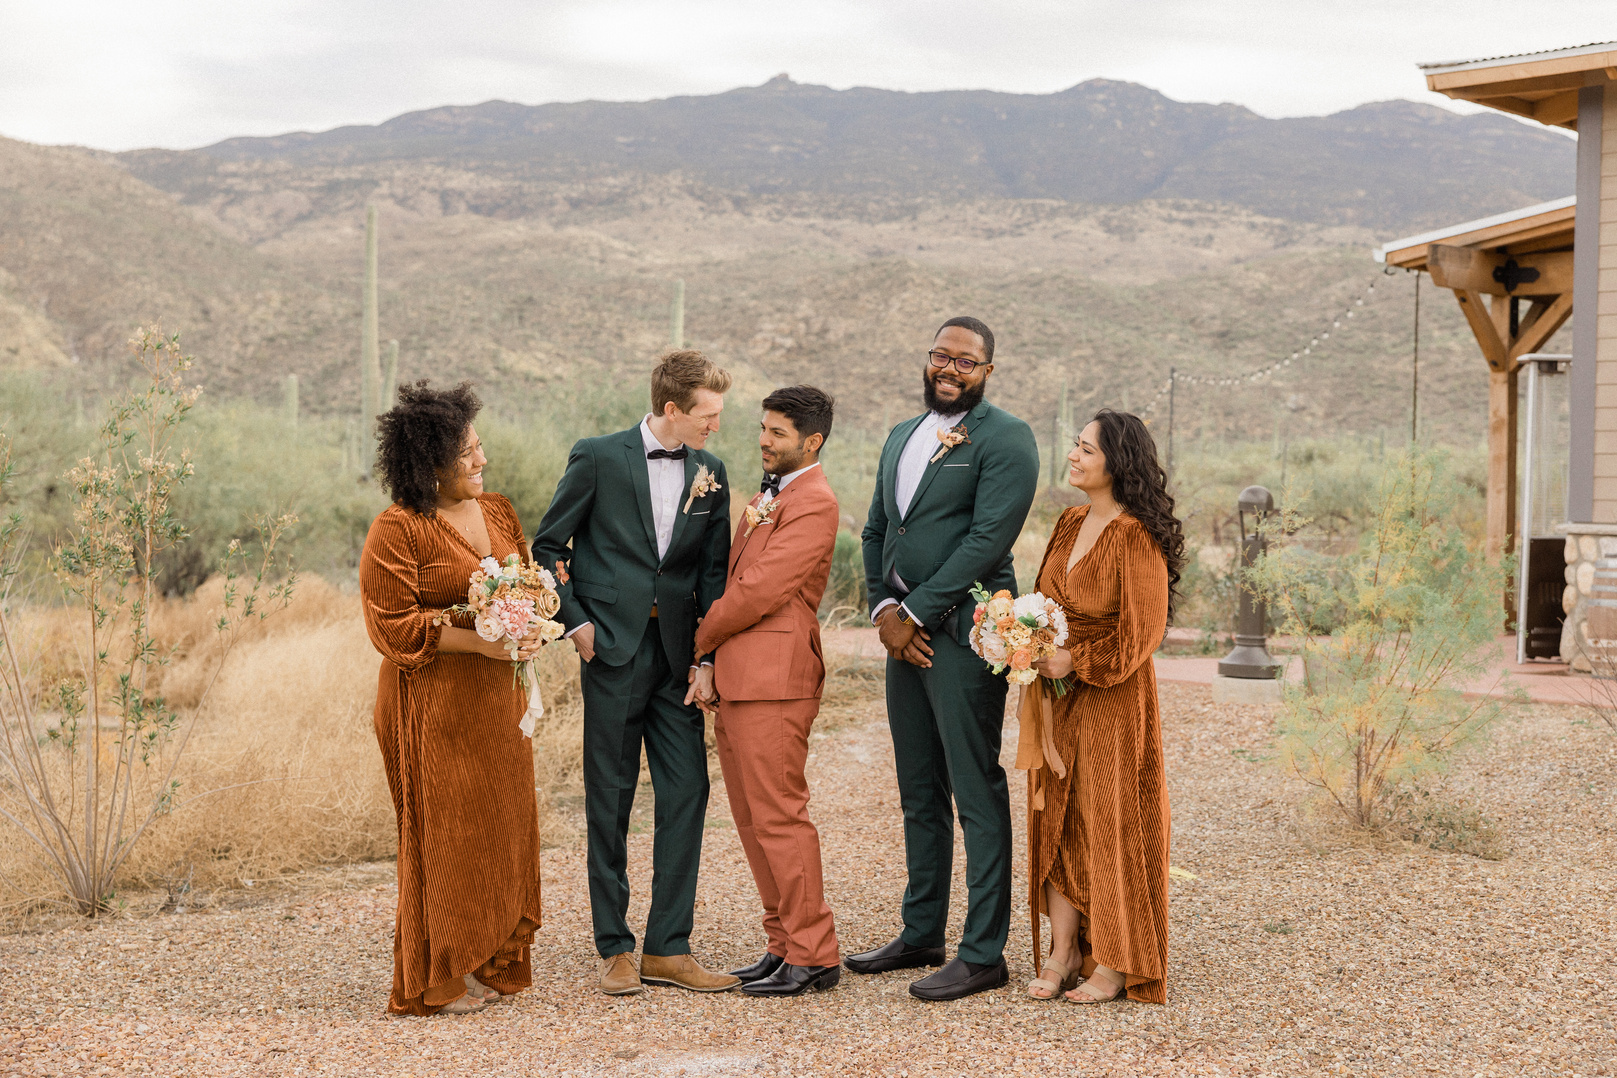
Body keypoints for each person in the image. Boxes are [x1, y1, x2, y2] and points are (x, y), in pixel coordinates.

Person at [531, 349, 738, 996]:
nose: (715, 427)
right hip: (613, 650)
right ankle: (615, 945)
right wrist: (577, 623)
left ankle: (668, 948)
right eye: (707, 415)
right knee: (610, 797)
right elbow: (546, 546)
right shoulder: (597, 456)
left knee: (687, 794)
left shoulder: (712, 470)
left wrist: (707, 658)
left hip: (679, 659)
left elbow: (711, 572)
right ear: (671, 409)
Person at [849, 316, 1039, 1001]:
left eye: (965, 359)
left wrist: (915, 612)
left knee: (973, 786)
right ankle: (920, 930)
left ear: (987, 371)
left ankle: (983, 952)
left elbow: (988, 539)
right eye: (939, 354)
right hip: (903, 631)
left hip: (964, 632)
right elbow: (876, 528)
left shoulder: (1006, 437)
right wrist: (881, 610)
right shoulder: (901, 434)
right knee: (917, 788)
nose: (948, 366)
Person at [360, 381, 547, 1017]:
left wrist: (529, 626)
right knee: (445, 833)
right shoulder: (398, 528)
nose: (482, 460)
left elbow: (521, 586)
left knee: (502, 824)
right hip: (430, 705)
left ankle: (485, 957)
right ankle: (436, 977)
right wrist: (475, 640)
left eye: (480, 447)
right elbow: (390, 624)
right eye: (467, 452)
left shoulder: (498, 512)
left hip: (500, 704)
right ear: (430, 463)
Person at [1021, 408, 1181, 1005]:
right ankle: (1063, 954)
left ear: (1118, 461)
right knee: (1057, 819)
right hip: (1056, 701)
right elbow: (1044, 602)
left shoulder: (1136, 535)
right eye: (1076, 446)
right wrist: (1024, 642)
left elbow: (1144, 632)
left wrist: (1078, 660)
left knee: (1108, 823)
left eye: (1086, 449)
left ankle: (1114, 960)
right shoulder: (1068, 522)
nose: (1074, 456)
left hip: (1113, 702)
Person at [694, 385, 843, 997]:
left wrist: (697, 643)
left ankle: (815, 952)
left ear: (812, 441)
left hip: (776, 679)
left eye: (777, 433)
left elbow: (758, 590)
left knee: (780, 816)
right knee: (755, 821)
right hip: (740, 676)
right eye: (762, 428)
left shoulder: (815, 501)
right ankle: (783, 945)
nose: (763, 440)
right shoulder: (767, 495)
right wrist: (712, 658)